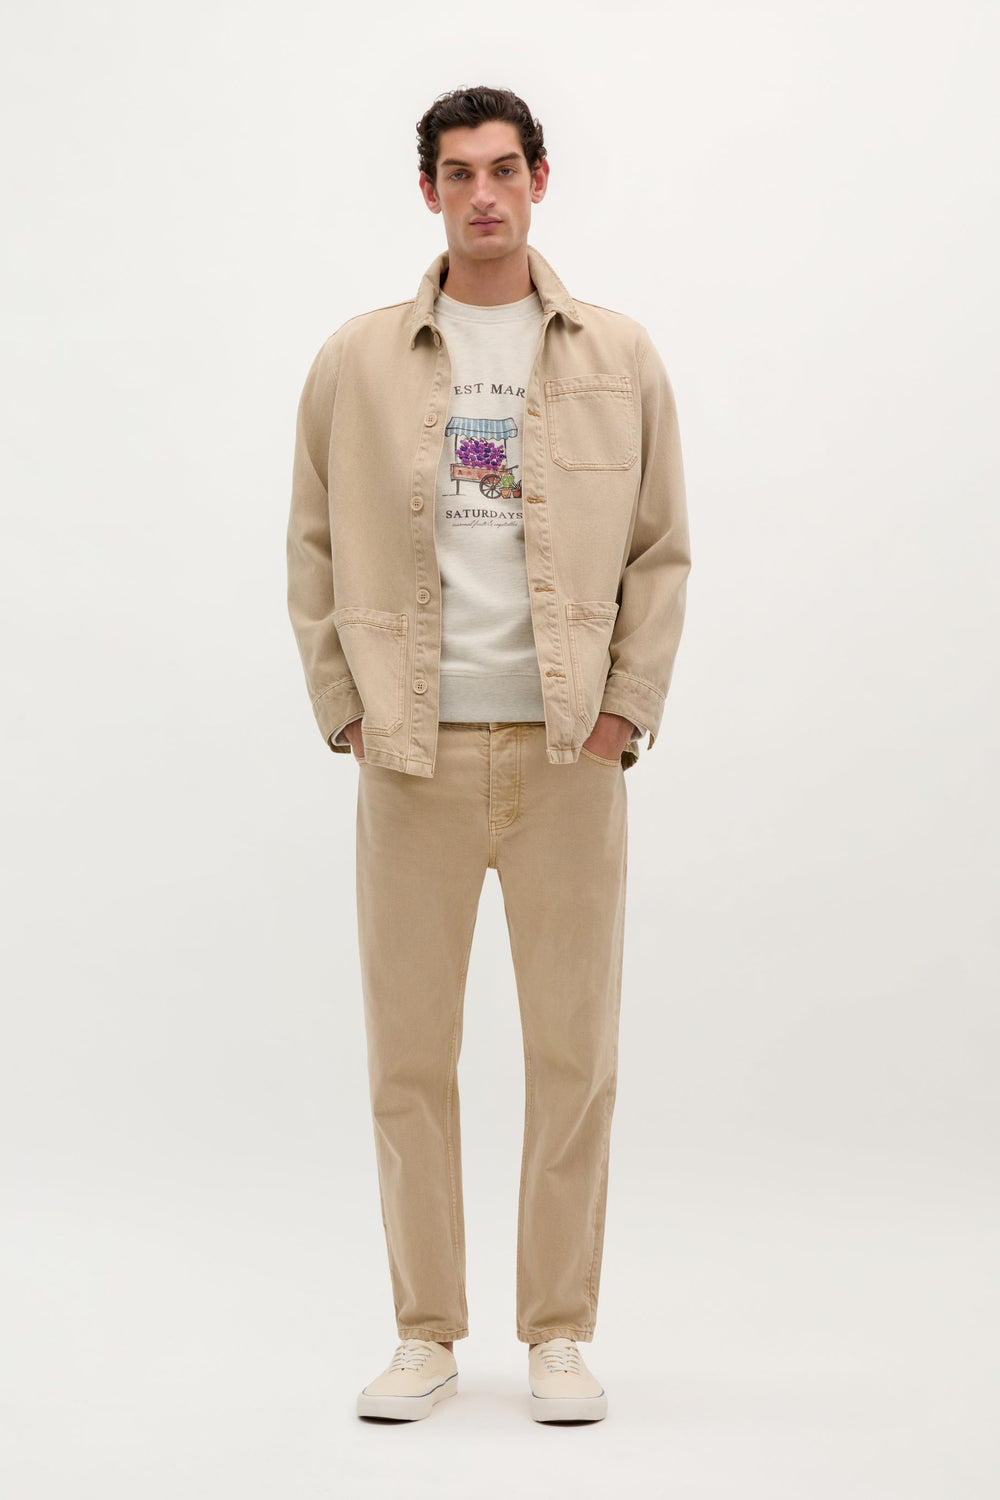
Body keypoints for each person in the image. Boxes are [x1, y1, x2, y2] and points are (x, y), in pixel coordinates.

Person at [286, 84, 691, 1424]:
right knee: (410, 1058)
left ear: (539, 180)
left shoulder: (617, 354)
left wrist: (625, 709)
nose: (482, 195)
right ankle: (425, 1335)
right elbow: (311, 544)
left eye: (503, 169)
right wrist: (346, 706)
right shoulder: (356, 360)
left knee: (574, 1056)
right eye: (457, 173)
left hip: (571, 757)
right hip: (413, 761)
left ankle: (559, 1333)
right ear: (429, 192)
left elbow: (660, 549)